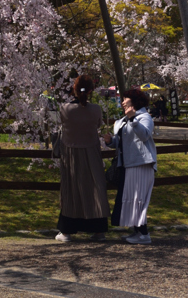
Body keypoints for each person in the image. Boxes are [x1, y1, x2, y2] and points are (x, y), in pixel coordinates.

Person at [55, 74, 109, 243]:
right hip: (91, 152)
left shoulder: (65, 109)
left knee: (71, 191)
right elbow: (99, 125)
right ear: (91, 90)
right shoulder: (96, 109)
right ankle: (99, 230)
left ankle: (67, 231)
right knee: (95, 190)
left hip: (71, 153)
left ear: (74, 89)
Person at [104, 88, 157, 244]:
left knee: (138, 199)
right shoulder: (122, 120)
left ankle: (144, 234)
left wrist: (133, 119)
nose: (122, 101)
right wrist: (110, 142)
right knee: (132, 199)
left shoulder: (144, 117)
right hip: (127, 164)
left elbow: (145, 135)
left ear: (134, 100)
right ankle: (138, 233)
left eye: (125, 98)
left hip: (141, 163)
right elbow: (121, 143)